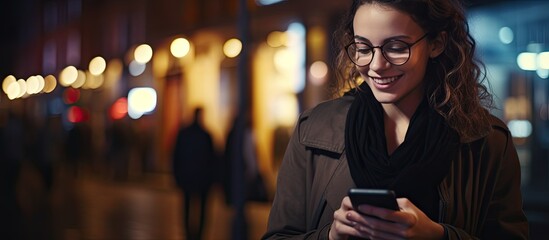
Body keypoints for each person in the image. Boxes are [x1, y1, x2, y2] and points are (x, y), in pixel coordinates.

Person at [263, 0, 529, 239]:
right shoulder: (314, 129)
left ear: (436, 44)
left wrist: (438, 236)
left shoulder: (487, 139)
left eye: (396, 47)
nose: (377, 65)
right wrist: (330, 236)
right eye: (363, 48)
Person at [172, 107, 215, 240]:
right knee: (201, 208)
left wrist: (177, 175)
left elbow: (176, 156)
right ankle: (198, 235)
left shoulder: (185, 134)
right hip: (201, 179)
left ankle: (189, 234)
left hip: (188, 177)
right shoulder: (205, 135)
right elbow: (212, 159)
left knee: (187, 206)